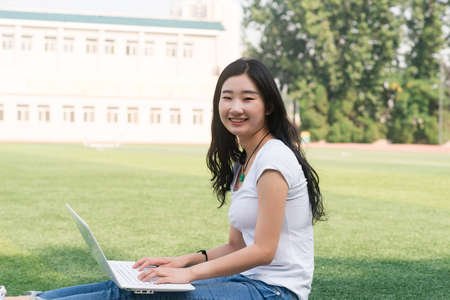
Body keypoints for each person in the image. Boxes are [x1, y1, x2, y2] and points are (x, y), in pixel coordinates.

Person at [5, 58, 325, 300]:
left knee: (142, 295)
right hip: (248, 281)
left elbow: (263, 251)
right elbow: (235, 245)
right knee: (131, 283)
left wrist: (188, 274)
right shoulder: (244, 161)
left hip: (275, 292)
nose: (235, 107)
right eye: (227, 97)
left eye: (247, 98)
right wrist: (182, 261)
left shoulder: (274, 159)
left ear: (268, 104)